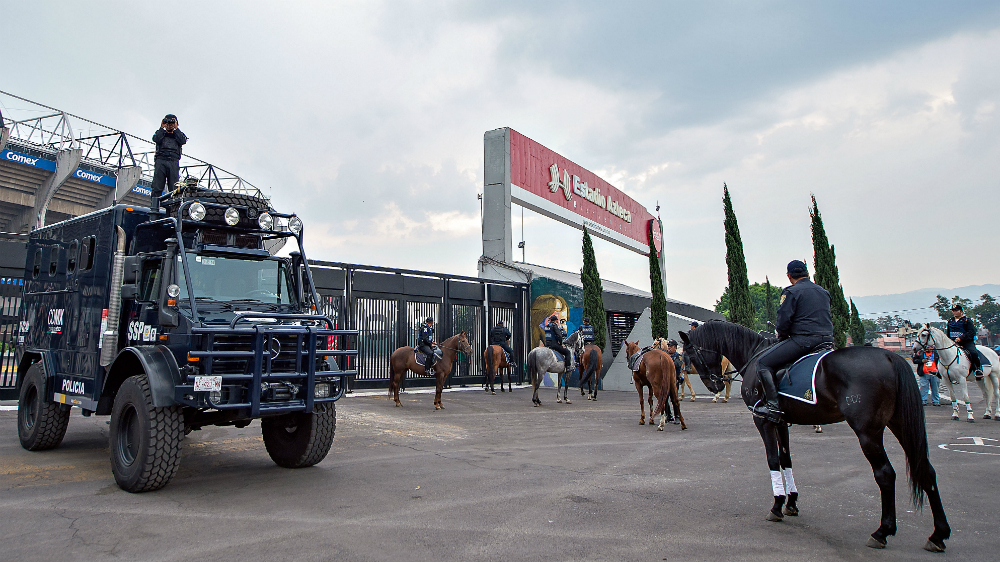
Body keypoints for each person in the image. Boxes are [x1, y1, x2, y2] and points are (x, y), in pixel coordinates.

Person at [754, 260, 834, 423]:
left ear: (789, 276)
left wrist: (781, 337)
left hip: (804, 341)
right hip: (827, 341)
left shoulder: (791, 292)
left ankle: (773, 406)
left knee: (762, 363)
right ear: (807, 273)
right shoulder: (823, 292)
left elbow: (783, 322)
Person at [150, 114, 187, 210]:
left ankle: (174, 210)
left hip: (173, 162)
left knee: (174, 189)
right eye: (168, 122)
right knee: (157, 187)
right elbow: (156, 139)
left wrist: (176, 128)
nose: (169, 125)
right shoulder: (160, 134)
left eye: (171, 123)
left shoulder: (178, 135)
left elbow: (183, 141)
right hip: (161, 161)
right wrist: (161, 127)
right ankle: (154, 208)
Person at [947, 304, 982, 380]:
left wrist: (961, 338)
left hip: (966, 342)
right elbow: (948, 333)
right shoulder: (950, 321)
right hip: (953, 343)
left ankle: (978, 369)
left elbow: (971, 332)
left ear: (961, 311)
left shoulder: (967, 321)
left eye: (956, 310)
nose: (954, 312)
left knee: (973, 353)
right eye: (953, 311)